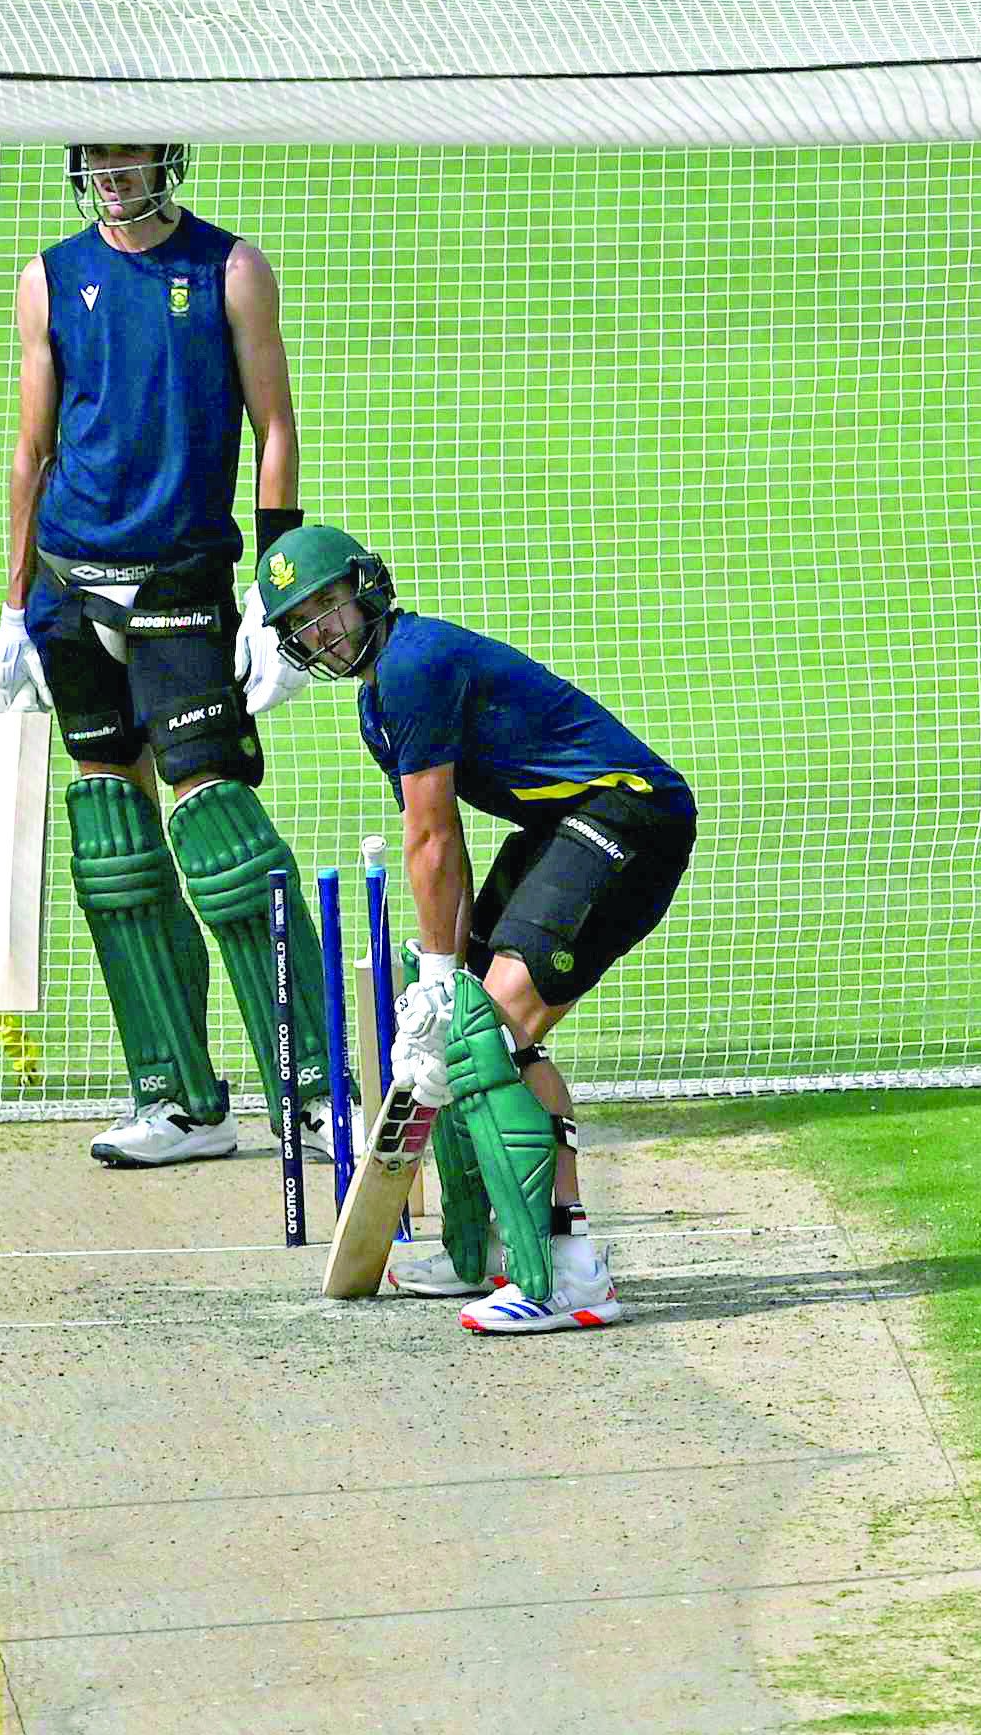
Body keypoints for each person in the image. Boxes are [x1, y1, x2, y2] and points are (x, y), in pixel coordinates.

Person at [261, 524, 697, 1336]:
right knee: (469, 1025)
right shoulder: (377, 702)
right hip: (559, 822)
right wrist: (441, 978)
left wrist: (434, 980)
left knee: (481, 1033)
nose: (321, 630)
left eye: (327, 604)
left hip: (626, 813)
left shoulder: (414, 665)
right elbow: (443, 847)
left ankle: (567, 1274)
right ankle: (484, 1249)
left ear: (367, 587)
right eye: (302, 622)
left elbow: (429, 839)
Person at [0, 137, 310, 1170]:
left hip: (179, 578)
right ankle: (177, 1101)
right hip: (74, 584)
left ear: (168, 155)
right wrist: (13, 606)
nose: (111, 170)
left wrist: (273, 591)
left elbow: (275, 425)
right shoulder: (49, 274)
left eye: (128, 151)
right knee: (113, 846)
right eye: (95, 154)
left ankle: (308, 1086)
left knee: (218, 834)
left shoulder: (229, 268)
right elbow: (31, 449)